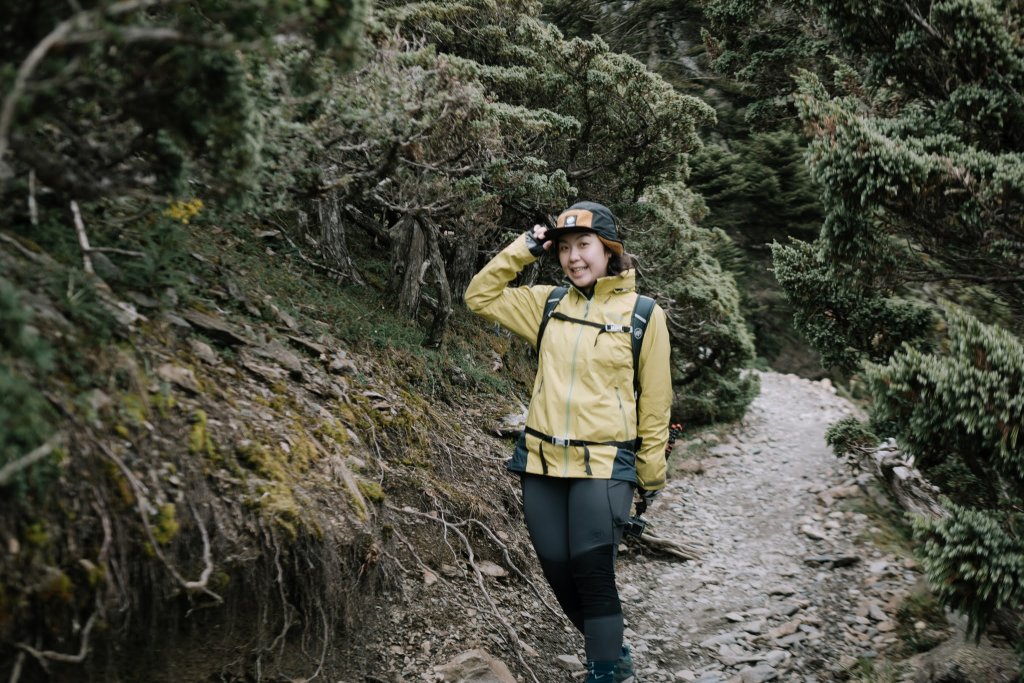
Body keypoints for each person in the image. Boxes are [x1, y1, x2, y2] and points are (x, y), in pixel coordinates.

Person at [464, 201, 671, 683]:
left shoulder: (643, 314)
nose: (574, 258)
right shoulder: (547, 303)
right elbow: (480, 296)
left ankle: (604, 672)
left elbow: (656, 401)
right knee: (558, 573)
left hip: (604, 464)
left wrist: (649, 474)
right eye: (563, 249)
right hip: (540, 462)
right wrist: (524, 248)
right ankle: (613, 651)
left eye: (585, 246)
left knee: (593, 570)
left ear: (609, 251)